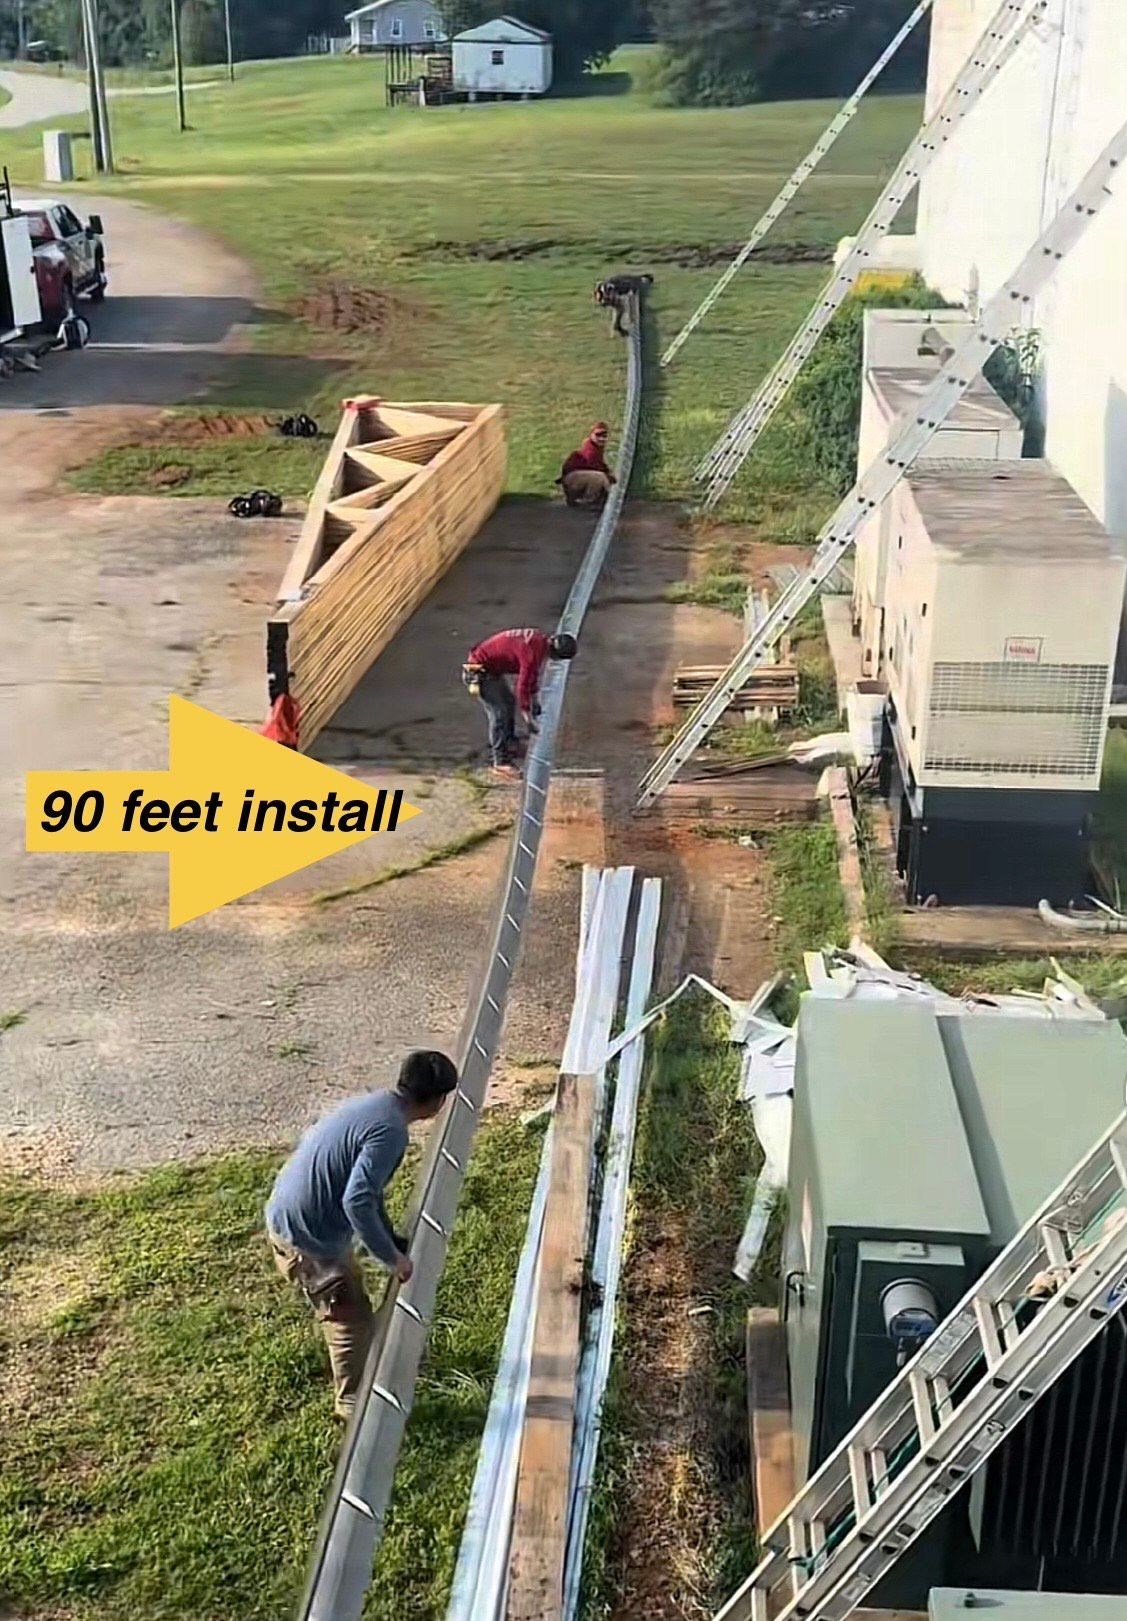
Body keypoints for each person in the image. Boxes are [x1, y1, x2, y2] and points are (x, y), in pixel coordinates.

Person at [265, 1049, 458, 1418]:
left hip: (304, 1218)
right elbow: (356, 1201)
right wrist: (392, 1258)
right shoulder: (390, 1134)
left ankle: (391, 1364)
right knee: (348, 1318)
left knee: (352, 1295)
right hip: (305, 1236)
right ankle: (351, 1405)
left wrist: (389, 1239)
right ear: (436, 1101)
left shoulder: (376, 1106)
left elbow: (367, 1194)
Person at [462, 627, 579, 777]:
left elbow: (532, 676)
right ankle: (500, 762)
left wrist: (535, 700)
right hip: (479, 672)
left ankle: (510, 743)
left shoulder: (539, 641)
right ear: (555, 654)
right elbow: (522, 685)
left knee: (509, 703)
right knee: (500, 713)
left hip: (490, 669)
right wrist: (527, 717)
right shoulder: (532, 652)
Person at [557, 422, 617, 508]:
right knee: (599, 477)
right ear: (591, 435)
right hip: (572, 479)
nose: (601, 438)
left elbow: (600, 465)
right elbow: (592, 465)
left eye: (604, 436)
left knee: (602, 477)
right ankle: (588, 501)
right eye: (598, 435)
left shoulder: (598, 449)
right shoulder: (589, 448)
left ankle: (595, 500)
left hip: (578, 479)